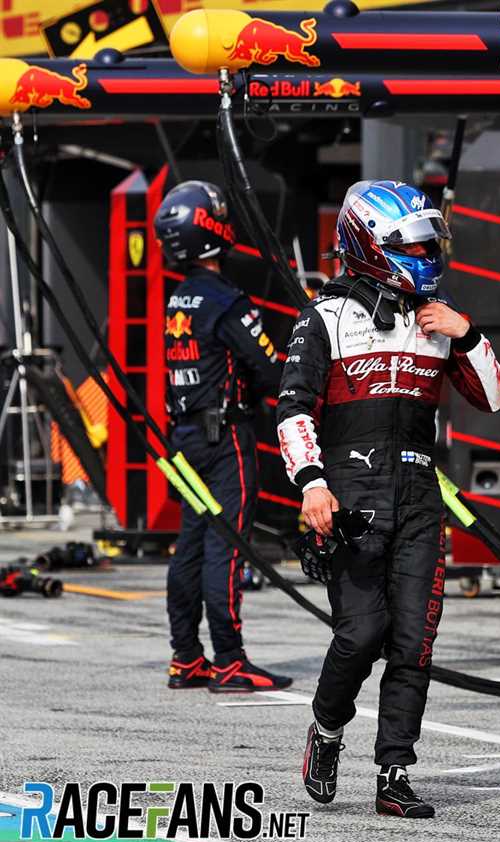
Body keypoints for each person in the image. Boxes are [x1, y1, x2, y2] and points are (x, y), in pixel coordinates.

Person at [278, 180, 500, 819]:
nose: (427, 252)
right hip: (350, 493)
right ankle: (325, 732)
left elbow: (492, 397)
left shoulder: (441, 318)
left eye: (431, 241)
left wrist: (465, 334)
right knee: (362, 632)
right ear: (369, 243)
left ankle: (394, 774)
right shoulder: (324, 317)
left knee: (414, 641)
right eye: (413, 243)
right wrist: (312, 483)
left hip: (419, 493)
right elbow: (293, 408)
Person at [155, 180, 290, 692]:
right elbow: (269, 369)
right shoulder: (228, 301)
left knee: (190, 544)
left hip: (185, 437)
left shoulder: (179, 299)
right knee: (226, 546)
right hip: (225, 439)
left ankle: (186, 658)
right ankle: (231, 661)